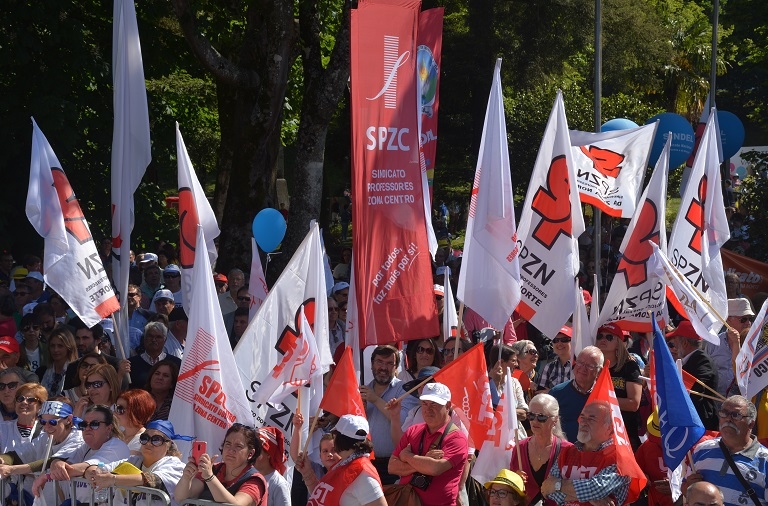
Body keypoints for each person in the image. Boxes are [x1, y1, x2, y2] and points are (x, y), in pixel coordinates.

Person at [389, 382, 469, 506]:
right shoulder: (413, 430)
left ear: (447, 406)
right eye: (424, 404)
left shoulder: (457, 438)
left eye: (434, 404)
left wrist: (407, 457)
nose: (428, 409)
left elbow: (435, 468)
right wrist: (425, 461)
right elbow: (392, 466)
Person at [32, 404, 131, 502]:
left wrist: (46, 476)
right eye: (84, 424)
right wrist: (56, 463)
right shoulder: (86, 446)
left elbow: (84, 467)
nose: (87, 428)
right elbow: (68, 465)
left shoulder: (117, 446)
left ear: (108, 428)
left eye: (94, 424)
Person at [542, 400, 631, 505]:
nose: (583, 422)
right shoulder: (567, 452)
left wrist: (557, 485)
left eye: (591, 419)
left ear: (610, 429)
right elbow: (548, 490)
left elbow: (597, 488)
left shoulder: (620, 458)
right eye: (582, 417)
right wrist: (591, 498)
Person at [686, 395, 768, 505]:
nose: (728, 419)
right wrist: (689, 487)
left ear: (751, 423)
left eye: (736, 415)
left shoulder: (765, 460)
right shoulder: (702, 450)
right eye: (724, 413)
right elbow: (686, 491)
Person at [90, 420, 191, 506]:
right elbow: (102, 467)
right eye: (144, 438)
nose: (148, 443)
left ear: (168, 445)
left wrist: (113, 479)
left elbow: (153, 480)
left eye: (156, 440)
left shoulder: (174, 465)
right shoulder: (134, 460)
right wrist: (95, 472)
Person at [298, 415, 386, 506]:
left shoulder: (363, 474)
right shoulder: (342, 463)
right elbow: (322, 497)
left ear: (338, 437)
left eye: (334, 435)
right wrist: (307, 473)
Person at [175, 423, 267, 506]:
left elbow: (237, 505)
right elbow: (181, 498)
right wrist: (186, 477)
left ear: (250, 454)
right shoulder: (214, 469)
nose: (231, 450)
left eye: (238, 446)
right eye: (228, 444)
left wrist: (210, 478)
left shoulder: (255, 480)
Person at [510, 393, 573, 505]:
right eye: (531, 415)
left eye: (541, 417)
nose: (534, 421)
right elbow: (511, 490)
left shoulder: (568, 450)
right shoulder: (519, 447)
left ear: (555, 420)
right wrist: (515, 480)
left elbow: (576, 487)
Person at [361, 345, 406, 484]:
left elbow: (404, 421)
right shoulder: (362, 391)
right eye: (379, 362)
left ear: (396, 367)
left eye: (389, 363)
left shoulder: (404, 390)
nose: (383, 367)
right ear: (372, 364)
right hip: (365, 464)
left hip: (392, 466)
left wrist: (375, 399)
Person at [596, 323, 642, 450]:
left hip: (624, 432)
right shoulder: (593, 366)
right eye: (600, 336)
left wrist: (601, 400)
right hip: (598, 432)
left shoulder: (629, 367)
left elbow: (634, 404)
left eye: (609, 337)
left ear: (618, 342)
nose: (603, 339)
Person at [667, 320, 720, 430]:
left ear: (685, 343)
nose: (674, 347)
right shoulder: (688, 360)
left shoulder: (702, 360)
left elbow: (695, 389)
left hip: (702, 423)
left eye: (674, 343)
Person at [549, 346, 604, 442]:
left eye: (590, 366)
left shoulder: (604, 396)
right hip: (564, 452)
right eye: (580, 362)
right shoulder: (556, 393)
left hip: (594, 453)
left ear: (600, 371)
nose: (583, 368)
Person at [705, 298, 754, 397]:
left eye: (750, 319)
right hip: (714, 401)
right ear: (728, 320)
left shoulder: (754, 345)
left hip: (741, 404)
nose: (748, 323)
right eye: (743, 319)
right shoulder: (713, 342)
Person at [636, 409, 674, 506]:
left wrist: (677, 486)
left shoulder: (694, 447)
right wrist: (643, 478)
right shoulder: (646, 447)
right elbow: (634, 473)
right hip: (655, 501)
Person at [128, 321, 182, 388]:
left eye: (158, 337)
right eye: (150, 336)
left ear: (165, 340)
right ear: (144, 338)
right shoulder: (131, 364)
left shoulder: (176, 363)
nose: (154, 340)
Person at [0, 382, 46, 453]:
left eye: (31, 400)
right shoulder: (2, 429)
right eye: (20, 398)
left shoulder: (46, 431)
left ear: (40, 406)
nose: (24, 402)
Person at [36, 326, 78, 397]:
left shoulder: (76, 373)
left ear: (69, 348)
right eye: (52, 346)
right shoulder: (41, 372)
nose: (55, 350)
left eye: (60, 346)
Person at [114, 389, 157, 455]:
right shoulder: (116, 435)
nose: (115, 412)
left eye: (120, 409)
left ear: (136, 412)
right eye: (115, 407)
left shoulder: (144, 442)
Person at [255, 427, 291, 506]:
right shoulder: (245, 474)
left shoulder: (279, 484)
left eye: (257, 451)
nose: (252, 454)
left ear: (268, 454)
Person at [537, 327, 573, 394]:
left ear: (572, 341)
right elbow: (540, 393)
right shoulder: (548, 367)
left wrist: (552, 392)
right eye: (555, 340)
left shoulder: (579, 365)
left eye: (564, 340)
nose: (559, 343)